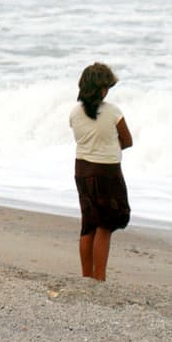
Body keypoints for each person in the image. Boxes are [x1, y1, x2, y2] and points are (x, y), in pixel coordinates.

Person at [70, 63, 133, 282]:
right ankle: (100, 278)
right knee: (105, 225)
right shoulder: (113, 112)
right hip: (107, 171)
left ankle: (86, 277)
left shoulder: (74, 112)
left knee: (88, 224)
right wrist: (111, 147)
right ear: (102, 89)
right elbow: (127, 141)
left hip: (82, 169)